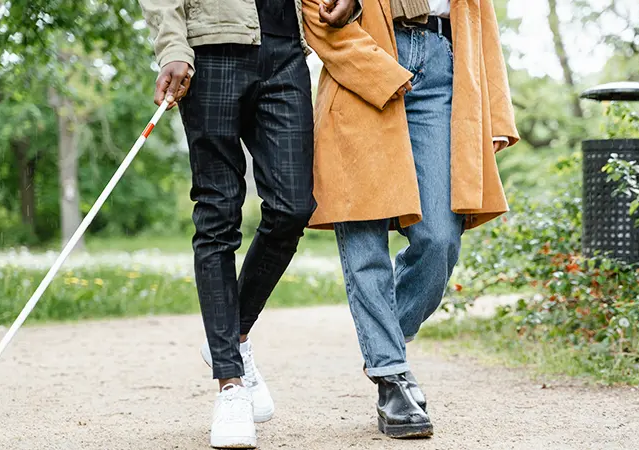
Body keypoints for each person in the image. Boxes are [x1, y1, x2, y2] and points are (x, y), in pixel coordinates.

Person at [138, 0, 358, 447]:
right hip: (212, 48)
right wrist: (172, 47)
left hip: (285, 50)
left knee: (293, 207)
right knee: (218, 214)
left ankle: (231, 335)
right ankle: (231, 386)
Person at [302, 0, 520, 439]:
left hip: (444, 64)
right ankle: (391, 377)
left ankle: (383, 345)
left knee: (440, 239)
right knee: (364, 234)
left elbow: (479, 11)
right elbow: (315, 13)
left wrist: (495, 110)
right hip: (363, 57)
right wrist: (381, 70)